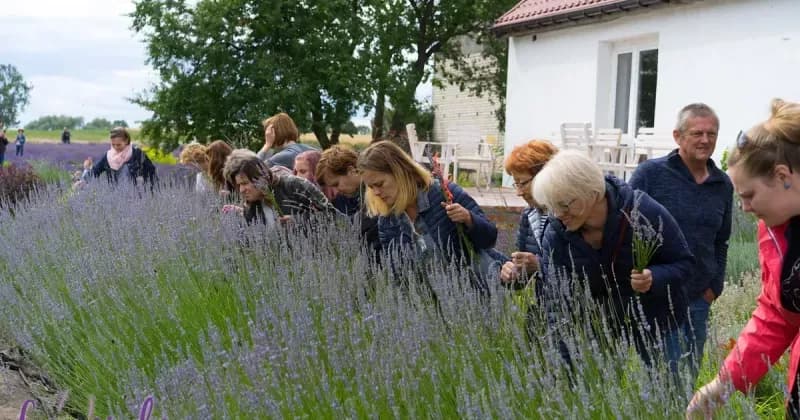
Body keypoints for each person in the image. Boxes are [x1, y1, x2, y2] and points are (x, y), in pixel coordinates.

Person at [687, 99, 800, 419]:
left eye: (749, 195)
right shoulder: (775, 231)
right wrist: (723, 384)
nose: (745, 208)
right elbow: (777, 315)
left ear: (782, 176)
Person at [533, 150, 693, 370]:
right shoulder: (556, 233)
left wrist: (654, 278)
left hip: (658, 326)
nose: (559, 214)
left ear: (591, 193)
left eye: (564, 205)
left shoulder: (642, 211)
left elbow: (684, 264)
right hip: (600, 335)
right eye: (552, 206)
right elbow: (555, 299)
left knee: (668, 387)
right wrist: (564, 362)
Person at [629, 103, 733, 380]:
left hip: (699, 298)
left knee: (688, 377)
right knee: (663, 380)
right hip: (659, 296)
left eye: (711, 134)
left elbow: (721, 240)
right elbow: (626, 227)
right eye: (697, 133)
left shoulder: (722, 184)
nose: (705, 140)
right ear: (678, 136)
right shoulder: (651, 174)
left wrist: (714, 286)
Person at [357, 141, 502, 291]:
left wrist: (469, 219)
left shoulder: (444, 194)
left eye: (380, 184)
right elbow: (400, 277)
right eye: (371, 187)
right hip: (433, 302)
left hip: (479, 293)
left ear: (400, 172)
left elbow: (490, 238)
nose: (376, 192)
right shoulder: (387, 222)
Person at [499, 140, 559, 288]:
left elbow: (585, 268)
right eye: (516, 184)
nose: (518, 193)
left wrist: (539, 265)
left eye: (523, 183)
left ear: (544, 176)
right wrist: (510, 274)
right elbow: (521, 279)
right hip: (546, 302)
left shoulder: (569, 214)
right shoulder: (529, 215)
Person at [222, 149, 339, 225]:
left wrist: (297, 221)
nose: (242, 190)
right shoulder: (251, 206)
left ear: (259, 176)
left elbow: (333, 215)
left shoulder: (294, 185)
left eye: (245, 183)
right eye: (238, 185)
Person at [316, 144, 381, 255]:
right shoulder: (360, 193)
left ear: (351, 170)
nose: (336, 191)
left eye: (336, 184)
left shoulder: (376, 191)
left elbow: (359, 225)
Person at [90, 127, 156, 185]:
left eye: (118, 145)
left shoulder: (137, 153)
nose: (116, 147)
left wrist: (148, 189)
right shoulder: (108, 156)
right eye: (113, 144)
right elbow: (94, 172)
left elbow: (152, 173)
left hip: (135, 194)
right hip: (113, 193)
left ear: (126, 141)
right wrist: (85, 177)